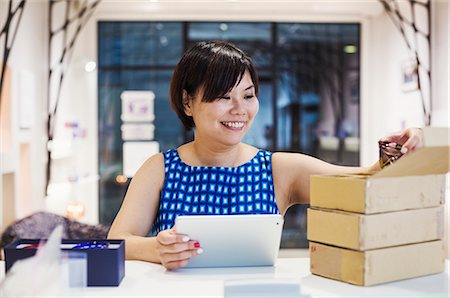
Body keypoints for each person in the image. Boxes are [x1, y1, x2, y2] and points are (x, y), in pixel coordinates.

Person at [108, 41, 423, 270]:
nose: (240, 110)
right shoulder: (161, 168)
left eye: (248, 96)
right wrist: (156, 248)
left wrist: (404, 150)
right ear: (188, 102)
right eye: (222, 96)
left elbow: (365, 181)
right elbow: (116, 241)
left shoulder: (278, 168)